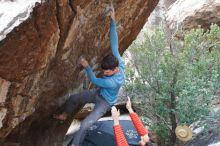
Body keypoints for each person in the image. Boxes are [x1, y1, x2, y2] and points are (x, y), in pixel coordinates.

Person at [54, 4, 125, 146]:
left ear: (115, 69)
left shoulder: (113, 82)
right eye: (104, 71)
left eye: (107, 72)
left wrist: (87, 66)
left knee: (85, 124)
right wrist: (113, 21)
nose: (104, 73)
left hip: (104, 102)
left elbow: (93, 78)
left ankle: (75, 144)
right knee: (73, 98)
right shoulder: (119, 62)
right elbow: (114, 44)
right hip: (98, 92)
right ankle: (64, 115)